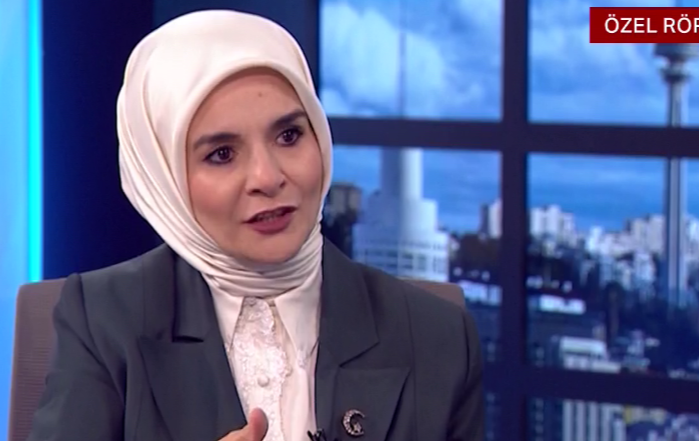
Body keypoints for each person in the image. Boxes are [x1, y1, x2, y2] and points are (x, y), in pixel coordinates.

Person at [27, 9, 484, 441]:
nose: (268, 177)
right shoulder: (105, 320)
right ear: (164, 180)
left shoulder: (436, 336)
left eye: (289, 135)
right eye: (222, 154)